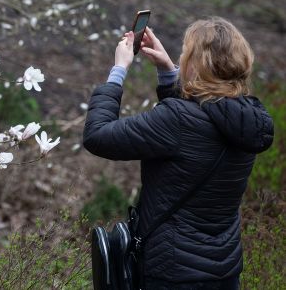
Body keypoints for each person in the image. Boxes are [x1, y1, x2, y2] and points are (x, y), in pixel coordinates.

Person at [82, 17, 274, 289]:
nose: (181, 56)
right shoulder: (250, 119)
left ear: (197, 64)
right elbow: (202, 115)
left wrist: (118, 70)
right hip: (224, 271)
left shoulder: (177, 120)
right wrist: (167, 70)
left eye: (185, 52)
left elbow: (98, 136)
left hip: (172, 272)